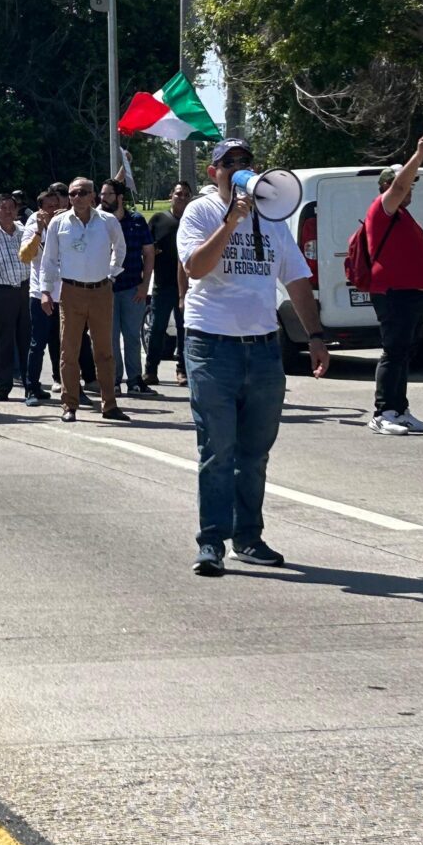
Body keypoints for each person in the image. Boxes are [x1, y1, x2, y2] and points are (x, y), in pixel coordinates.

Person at [178, 139, 332, 576]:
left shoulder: (273, 218)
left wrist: (315, 336)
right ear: (214, 172)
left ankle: (248, 537)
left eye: (247, 162)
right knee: (218, 448)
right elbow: (194, 267)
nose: (240, 169)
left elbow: (298, 279)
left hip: (263, 350)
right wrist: (230, 222)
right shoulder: (201, 212)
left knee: (255, 452)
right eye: (230, 164)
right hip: (211, 346)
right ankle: (211, 542)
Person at [362, 135, 423, 437]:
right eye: (404, 186)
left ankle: (400, 409)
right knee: (393, 352)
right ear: (386, 187)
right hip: (393, 293)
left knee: (404, 352)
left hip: (411, 293)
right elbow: (399, 186)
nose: (409, 191)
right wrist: (419, 155)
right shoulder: (383, 208)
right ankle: (384, 412)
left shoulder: (402, 214)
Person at [38, 177, 129, 422]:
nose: (77, 197)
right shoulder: (59, 223)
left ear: (93, 197)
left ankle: (109, 405)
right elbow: (48, 259)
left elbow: (120, 248)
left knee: (104, 351)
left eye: (83, 193)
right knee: (69, 351)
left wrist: (111, 274)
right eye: (73, 193)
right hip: (71, 291)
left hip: (101, 290)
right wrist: (45, 291)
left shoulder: (107, 222)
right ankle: (69, 406)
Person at [101, 178, 156, 398]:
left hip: (134, 288)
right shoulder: (99, 222)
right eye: (102, 195)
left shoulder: (136, 220)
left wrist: (145, 285)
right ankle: (113, 380)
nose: (103, 199)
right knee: (111, 337)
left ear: (120, 197)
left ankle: (135, 380)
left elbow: (149, 253)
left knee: (133, 336)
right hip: (106, 290)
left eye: (108, 195)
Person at [0, 192, 36, 404]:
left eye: (12, 207)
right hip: (2, 291)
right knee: (3, 341)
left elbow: (36, 258)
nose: (8, 211)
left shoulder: (24, 231)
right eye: (3, 208)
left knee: (26, 339)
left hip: (25, 289)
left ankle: (31, 387)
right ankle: (2, 388)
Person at [20, 185, 66, 399]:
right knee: (37, 343)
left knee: (64, 343)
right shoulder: (33, 224)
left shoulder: (66, 223)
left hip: (64, 293)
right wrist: (40, 230)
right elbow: (25, 256)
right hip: (40, 294)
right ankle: (32, 388)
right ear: (40, 209)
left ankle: (68, 386)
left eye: (57, 205)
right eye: (49, 207)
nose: (54, 210)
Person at [146, 181, 192, 384]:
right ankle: (150, 370)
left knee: (184, 329)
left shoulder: (193, 221)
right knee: (157, 328)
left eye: (185, 195)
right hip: (163, 284)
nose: (181, 197)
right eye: (178, 193)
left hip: (189, 286)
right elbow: (146, 247)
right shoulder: (158, 219)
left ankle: (182, 371)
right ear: (171, 195)